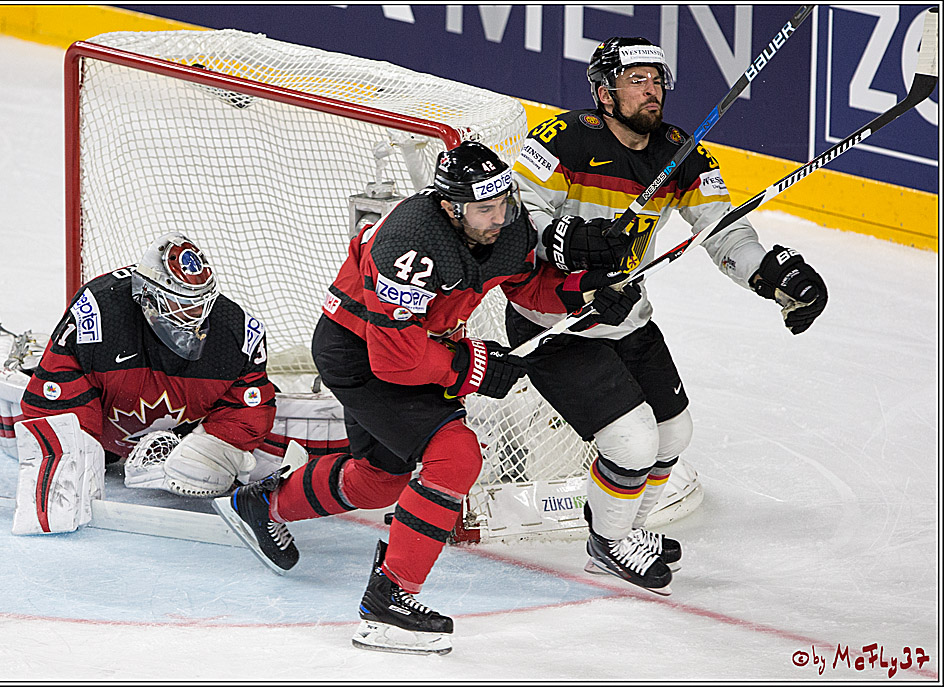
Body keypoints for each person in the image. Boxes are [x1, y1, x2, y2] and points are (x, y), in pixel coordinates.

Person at [212, 141, 640, 655]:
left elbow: (526, 286)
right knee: (455, 454)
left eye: (503, 203)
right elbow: (394, 361)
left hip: (413, 347)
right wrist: (475, 368)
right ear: (449, 206)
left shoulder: (504, 223)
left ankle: (265, 504)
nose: (499, 218)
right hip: (358, 352)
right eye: (485, 210)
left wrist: (586, 291)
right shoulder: (410, 243)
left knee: (379, 481)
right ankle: (388, 604)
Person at [508, 37, 829, 595]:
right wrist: (570, 241)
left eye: (656, 79)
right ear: (604, 91)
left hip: (625, 314)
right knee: (632, 444)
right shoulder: (561, 139)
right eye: (636, 80)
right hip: (555, 321)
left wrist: (771, 276)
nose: (651, 89)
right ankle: (607, 545)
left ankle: (626, 528)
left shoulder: (682, 151)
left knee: (672, 432)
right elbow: (515, 216)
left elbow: (721, 227)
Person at [15, 233, 276, 535]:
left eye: (200, 306)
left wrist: (216, 447)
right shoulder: (99, 314)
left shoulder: (238, 334)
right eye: (179, 305)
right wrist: (72, 458)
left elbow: (246, 410)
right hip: (105, 440)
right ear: (146, 294)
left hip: (176, 438)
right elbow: (57, 400)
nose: (192, 318)